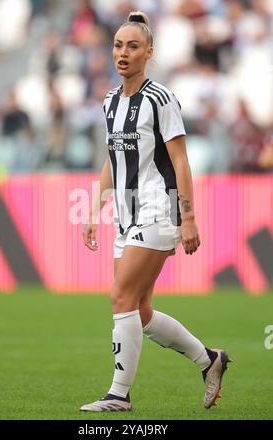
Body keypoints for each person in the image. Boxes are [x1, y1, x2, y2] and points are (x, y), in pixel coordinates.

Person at [81, 11, 231, 412]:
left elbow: (180, 161)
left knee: (120, 297)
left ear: (149, 52)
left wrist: (189, 218)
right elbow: (113, 159)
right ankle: (209, 359)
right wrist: (94, 209)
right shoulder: (111, 101)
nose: (123, 53)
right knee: (139, 311)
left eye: (133, 46)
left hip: (159, 211)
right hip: (126, 215)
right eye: (117, 45)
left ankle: (118, 395)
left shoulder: (160, 99)